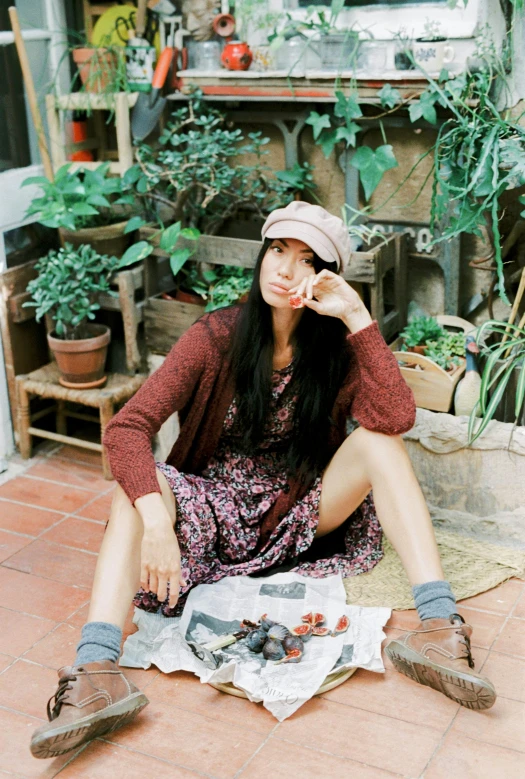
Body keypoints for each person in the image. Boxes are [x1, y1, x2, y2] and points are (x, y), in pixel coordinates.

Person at [30, 201, 496, 759]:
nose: (284, 269)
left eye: (306, 260)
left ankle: (439, 629)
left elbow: (396, 417)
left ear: (327, 277)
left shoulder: (336, 351)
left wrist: (357, 318)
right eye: (277, 251)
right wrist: (157, 519)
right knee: (136, 492)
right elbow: (128, 429)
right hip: (210, 509)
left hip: (295, 508)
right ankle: (97, 670)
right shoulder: (214, 336)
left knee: (380, 443)